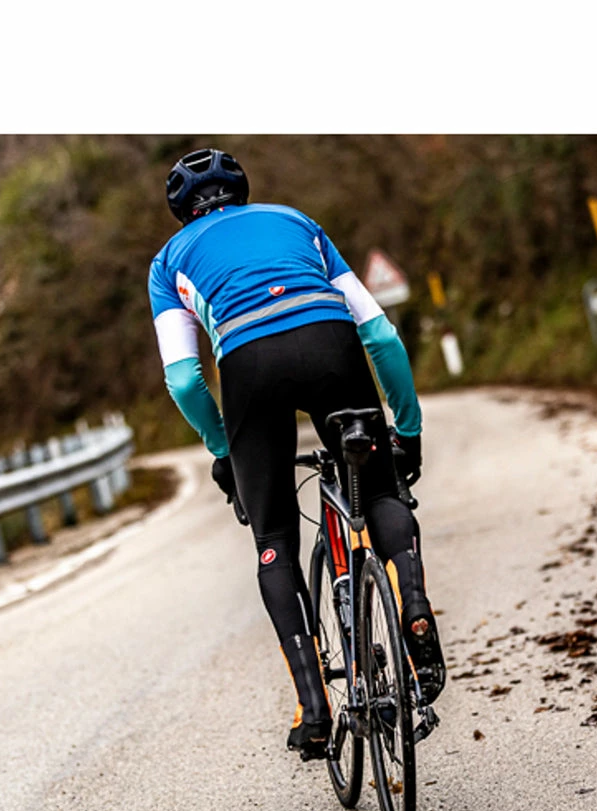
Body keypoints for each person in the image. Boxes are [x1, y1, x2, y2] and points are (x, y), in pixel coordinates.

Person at [147, 148, 444, 760]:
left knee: (275, 537)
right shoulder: (295, 220)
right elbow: (380, 335)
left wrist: (225, 451)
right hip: (332, 344)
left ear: (181, 210)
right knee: (379, 490)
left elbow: (183, 380)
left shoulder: (168, 261)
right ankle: (413, 605)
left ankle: (314, 707)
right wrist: (406, 430)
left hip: (249, 366)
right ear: (242, 191)